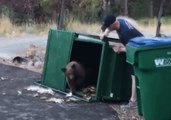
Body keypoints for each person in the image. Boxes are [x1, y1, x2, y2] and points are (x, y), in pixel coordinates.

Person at [100, 15, 143, 109]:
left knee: (134, 76)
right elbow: (109, 29)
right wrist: (104, 33)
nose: (108, 29)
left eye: (108, 27)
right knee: (134, 76)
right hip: (135, 44)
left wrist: (121, 49)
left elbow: (134, 49)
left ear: (113, 24)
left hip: (140, 50)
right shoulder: (120, 21)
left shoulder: (125, 33)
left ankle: (133, 102)